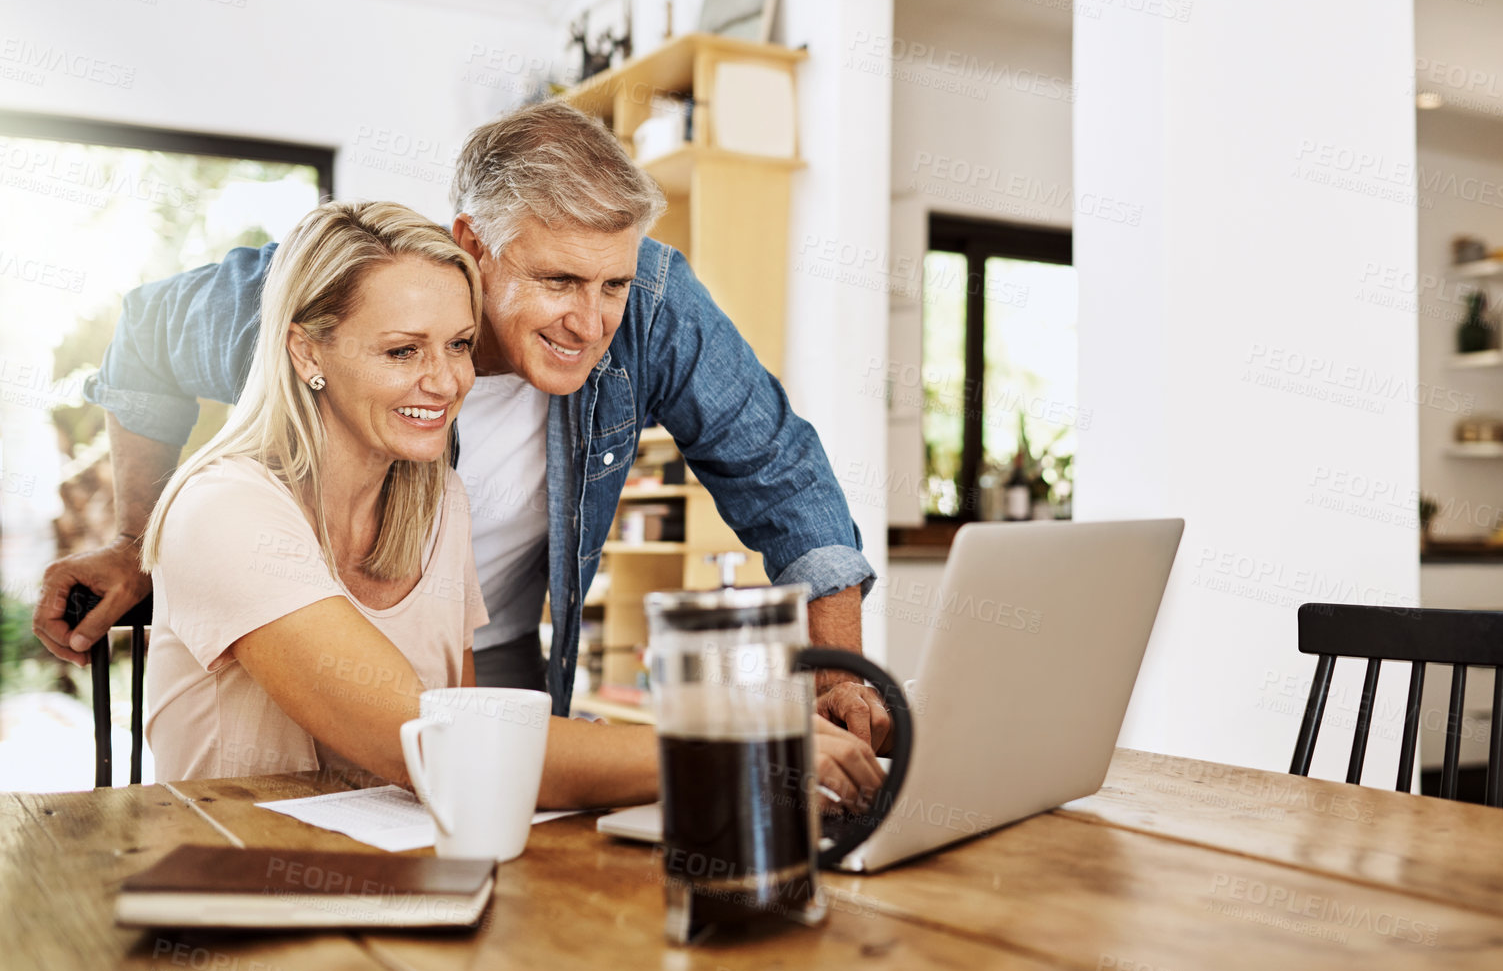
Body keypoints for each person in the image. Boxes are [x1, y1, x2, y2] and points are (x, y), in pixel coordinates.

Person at [31, 99, 894, 751]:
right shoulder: (334, 288)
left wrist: (838, 677)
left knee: (490, 848)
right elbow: (144, 331)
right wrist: (137, 538)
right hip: (301, 633)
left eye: (613, 285)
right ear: (472, 244)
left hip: (483, 649)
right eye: (557, 280)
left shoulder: (652, 306)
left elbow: (780, 469)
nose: (593, 323)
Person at [137, 199, 883, 808]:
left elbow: (468, 744)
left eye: (460, 345)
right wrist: (741, 748)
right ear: (306, 352)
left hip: (399, 888)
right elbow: (436, 743)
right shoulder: (224, 512)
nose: (444, 382)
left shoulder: (438, 505)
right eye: (402, 351)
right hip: (240, 898)